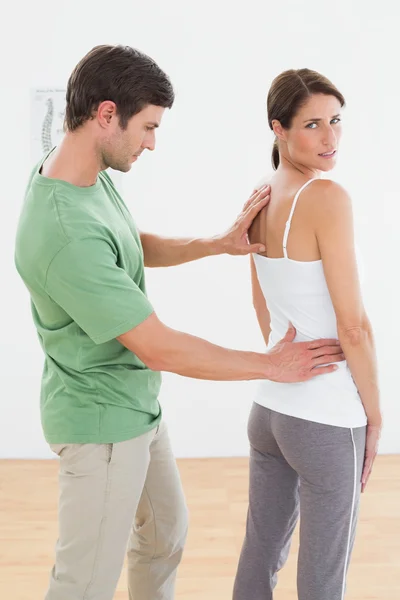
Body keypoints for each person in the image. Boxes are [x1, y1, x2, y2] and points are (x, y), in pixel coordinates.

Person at [14, 47, 344, 600]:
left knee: (166, 534)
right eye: (146, 127)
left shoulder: (79, 175)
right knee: (83, 582)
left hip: (135, 406)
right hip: (102, 425)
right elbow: (158, 346)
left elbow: (126, 246)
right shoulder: (62, 229)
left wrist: (216, 243)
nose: (151, 142)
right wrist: (270, 365)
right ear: (105, 113)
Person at [232, 68, 382, 600]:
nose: (330, 138)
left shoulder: (261, 194)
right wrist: (376, 413)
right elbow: (354, 327)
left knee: (260, 551)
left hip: (270, 411)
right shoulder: (326, 197)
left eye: (336, 121)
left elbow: (261, 302)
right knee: (324, 576)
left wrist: (279, 358)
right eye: (313, 124)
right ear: (279, 129)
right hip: (326, 418)